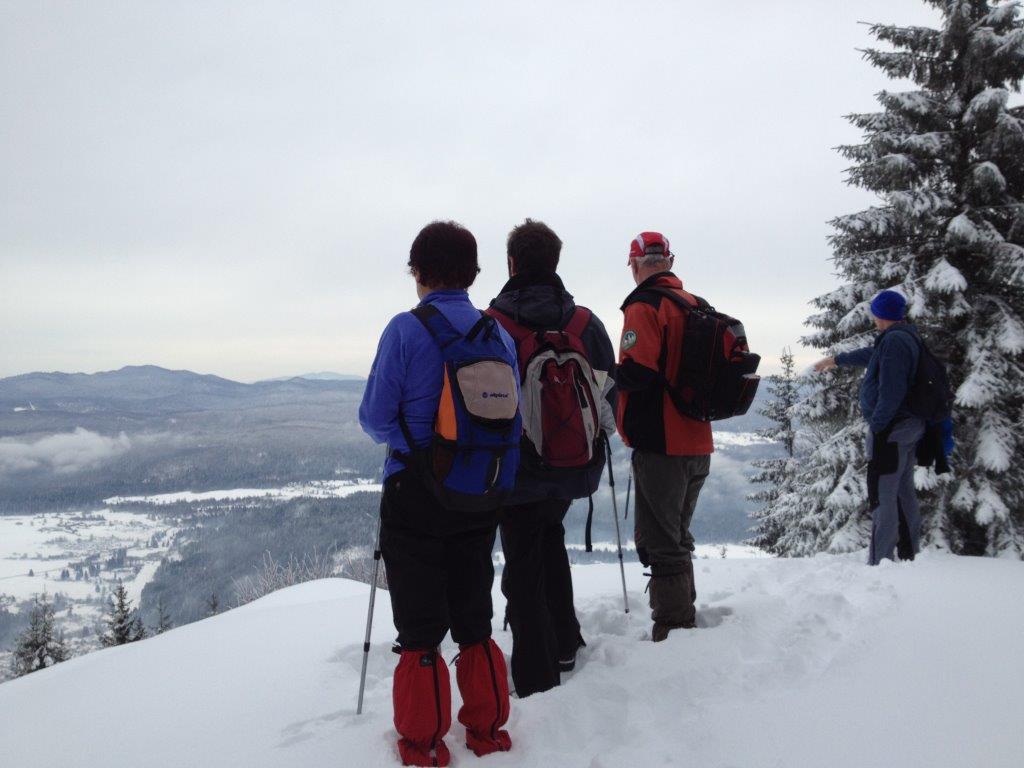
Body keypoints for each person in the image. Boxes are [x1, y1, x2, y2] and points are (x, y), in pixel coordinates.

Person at [359, 221, 517, 767]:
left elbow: (375, 418)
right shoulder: (497, 335)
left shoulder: (406, 330)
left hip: (415, 494)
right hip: (480, 489)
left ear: (418, 271)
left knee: (420, 626)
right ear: (472, 273)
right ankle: (489, 731)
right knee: (474, 613)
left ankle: (425, 744)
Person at [487, 219, 617, 696]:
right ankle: (565, 640)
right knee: (550, 535)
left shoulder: (493, 325)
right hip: (573, 466)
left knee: (522, 556)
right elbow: (609, 394)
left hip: (517, 469)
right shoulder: (585, 324)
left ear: (512, 264)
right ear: (555, 262)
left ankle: (536, 674)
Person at [614, 231, 713, 642]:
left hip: (663, 443)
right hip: (699, 441)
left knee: (662, 542)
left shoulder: (644, 305)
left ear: (635, 264)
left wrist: (607, 374)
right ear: (669, 261)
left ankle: (674, 629)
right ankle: (684, 616)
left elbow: (639, 372)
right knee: (678, 536)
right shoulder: (695, 304)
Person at [813, 289, 925, 565]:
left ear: (881, 314)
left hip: (892, 429)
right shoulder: (902, 337)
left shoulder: (895, 341)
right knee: (903, 490)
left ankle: (881, 561)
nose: (873, 318)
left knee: (882, 495)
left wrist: (878, 426)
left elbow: (892, 391)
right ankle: (910, 554)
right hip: (907, 426)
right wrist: (836, 360)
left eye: (875, 313)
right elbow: (872, 355)